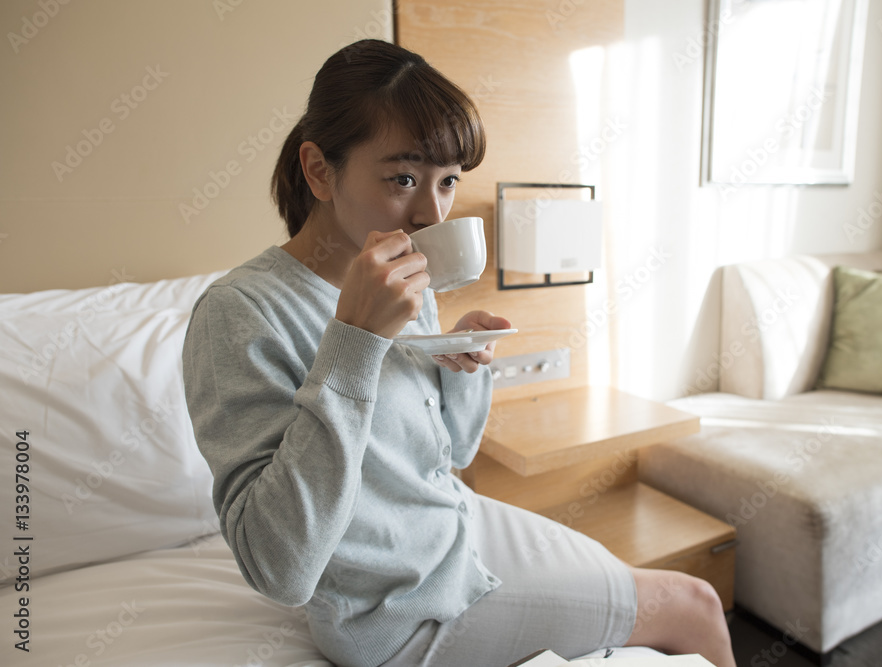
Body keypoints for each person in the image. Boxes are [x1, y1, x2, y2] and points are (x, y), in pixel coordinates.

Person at [181, 39, 736, 667]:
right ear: (319, 171)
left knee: (662, 588)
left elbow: (452, 455)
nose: (432, 211)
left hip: (455, 528)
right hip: (391, 611)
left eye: (447, 181)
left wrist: (463, 367)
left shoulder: (404, 274)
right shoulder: (238, 314)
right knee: (695, 603)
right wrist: (356, 343)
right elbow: (280, 568)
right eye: (403, 178)